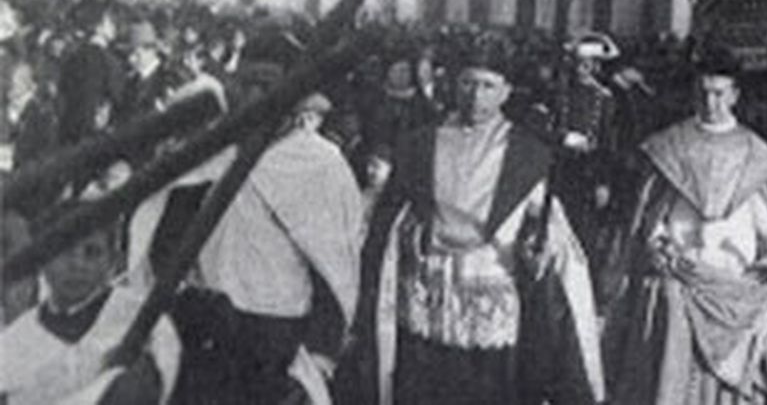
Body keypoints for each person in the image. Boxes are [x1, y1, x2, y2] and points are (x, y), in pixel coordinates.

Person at [346, 49, 604, 405]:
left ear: (506, 91)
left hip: (491, 299)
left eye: (487, 85)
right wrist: (409, 233)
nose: (475, 95)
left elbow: (545, 222)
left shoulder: (526, 153)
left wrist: (536, 244)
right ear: (454, 84)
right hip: (428, 296)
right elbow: (391, 213)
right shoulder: (421, 142)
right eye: (468, 83)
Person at [603, 49, 767, 403]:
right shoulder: (669, 147)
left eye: (719, 93)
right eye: (703, 93)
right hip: (679, 279)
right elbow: (652, 216)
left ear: (735, 95)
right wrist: (657, 244)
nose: (711, 102)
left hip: (731, 286)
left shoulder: (756, 155)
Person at [178, 91, 363, 405]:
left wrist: (320, 352)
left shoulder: (320, 163)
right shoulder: (215, 151)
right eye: (247, 86)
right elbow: (171, 228)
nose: (254, 98)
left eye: (266, 87)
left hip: (277, 330)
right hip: (209, 318)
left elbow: (334, 264)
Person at [0, 206, 181, 405]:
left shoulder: (142, 319)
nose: (78, 264)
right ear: (42, 259)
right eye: (65, 252)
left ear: (113, 260)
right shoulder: (15, 339)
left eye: (92, 252)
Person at [57, 0, 122, 149]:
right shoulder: (109, 61)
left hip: (68, 131)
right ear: (98, 26)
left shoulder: (73, 56)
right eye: (109, 22)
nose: (114, 26)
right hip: (95, 136)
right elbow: (117, 99)